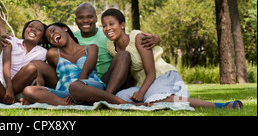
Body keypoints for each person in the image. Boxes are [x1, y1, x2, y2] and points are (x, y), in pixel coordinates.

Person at [70, 8, 243, 109]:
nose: (108, 29)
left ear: (122, 25)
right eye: (105, 25)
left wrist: (141, 93)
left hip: (161, 77)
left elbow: (151, 73)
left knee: (158, 100)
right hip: (142, 84)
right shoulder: (110, 45)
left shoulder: (138, 38)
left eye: (112, 24)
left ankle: (219, 105)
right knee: (122, 97)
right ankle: (141, 102)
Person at [74, 2, 160, 95]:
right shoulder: (72, 38)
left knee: (123, 54)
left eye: (90, 17)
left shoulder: (107, 34)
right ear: (75, 20)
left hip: (117, 80)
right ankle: (106, 97)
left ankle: (106, 97)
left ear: (95, 18)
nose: (85, 20)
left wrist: (157, 38)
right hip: (96, 80)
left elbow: (128, 39)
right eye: (81, 17)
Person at [21, 23, 105, 106]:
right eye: (49, 38)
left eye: (53, 31)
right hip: (66, 94)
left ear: (65, 29)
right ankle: (69, 104)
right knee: (28, 90)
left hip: (91, 88)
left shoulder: (91, 48)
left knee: (77, 87)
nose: (52, 36)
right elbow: (53, 76)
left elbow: (86, 72)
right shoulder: (53, 54)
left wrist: (75, 90)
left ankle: (113, 100)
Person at [0, 20, 48, 104]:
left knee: (32, 68)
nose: (33, 30)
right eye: (30, 27)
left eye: (39, 29)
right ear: (24, 32)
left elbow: (37, 74)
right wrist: (9, 88)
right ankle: (5, 98)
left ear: (42, 38)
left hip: (18, 87)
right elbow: (6, 64)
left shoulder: (42, 52)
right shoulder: (11, 40)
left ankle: (0, 99)